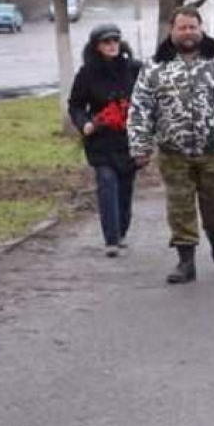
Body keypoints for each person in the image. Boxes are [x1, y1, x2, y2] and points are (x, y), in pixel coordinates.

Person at [128, 7, 214, 284]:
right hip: (174, 151)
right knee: (179, 206)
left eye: (192, 27)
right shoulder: (155, 67)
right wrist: (140, 144)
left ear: (201, 28)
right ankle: (186, 261)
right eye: (182, 28)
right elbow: (141, 108)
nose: (187, 33)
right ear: (172, 30)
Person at [69, 23, 142, 257]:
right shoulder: (87, 73)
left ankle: (121, 231)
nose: (112, 46)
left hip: (128, 138)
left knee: (125, 187)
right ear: (96, 46)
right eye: (106, 42)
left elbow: (149, 98)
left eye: (115, 41)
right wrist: (84, 124)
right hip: (100, 138)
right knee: (107, 181)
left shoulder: (133, 69)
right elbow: (76, 104)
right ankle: (111, 239)